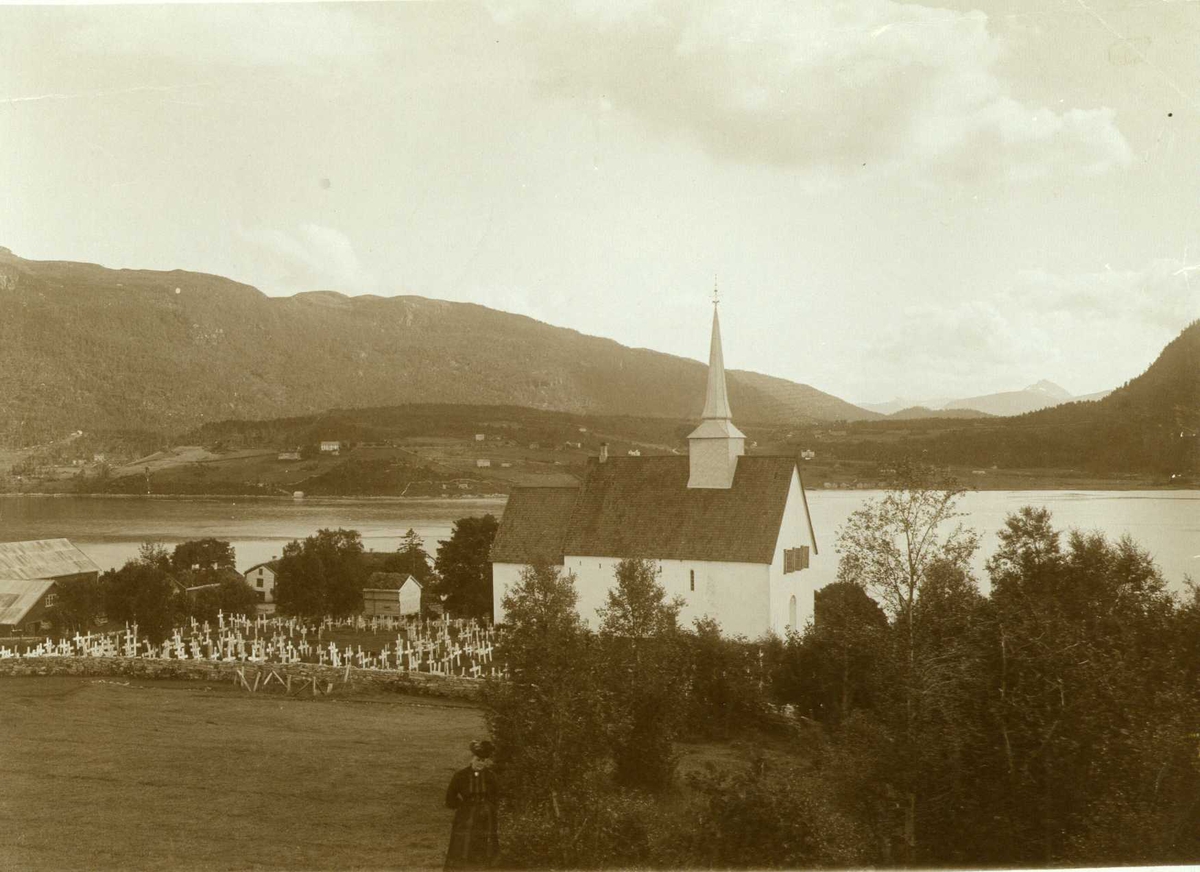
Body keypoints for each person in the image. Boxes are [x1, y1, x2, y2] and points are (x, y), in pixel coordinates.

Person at [444, 739, 500, 869]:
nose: (480, 764)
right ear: (471, 759)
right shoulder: (460, 776)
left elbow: (496, 795)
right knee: (463, 843)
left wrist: (489, 807)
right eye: (478, 760)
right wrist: (462, 806)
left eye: (483, 761)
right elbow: (450, 798)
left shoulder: (490, 776)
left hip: (487, 816)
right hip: (466, 815)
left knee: (484, 842)